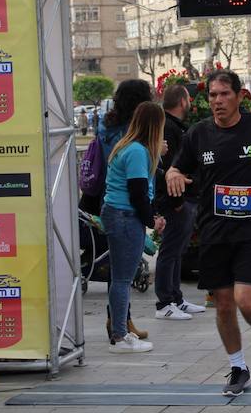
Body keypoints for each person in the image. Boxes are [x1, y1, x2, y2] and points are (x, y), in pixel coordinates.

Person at [166, 69, 251, 396]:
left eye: (224, 94)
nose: (218, 101)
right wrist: (173, 175)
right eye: (213, 95)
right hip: (213, 232)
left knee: (246, 300)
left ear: (238, 96)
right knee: (223, 305)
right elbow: (176, 166)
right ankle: (238, 367)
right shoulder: (198, 135)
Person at [85, 79, 154, 341]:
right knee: (123, 272)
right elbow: (135, 177)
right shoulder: (130, 134)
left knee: (119, 269)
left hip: (105, 197)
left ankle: (120, 320)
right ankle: (120, 326)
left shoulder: (107, 125)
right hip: (124, 203)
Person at [102, 102, 168, 353]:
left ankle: (119, 331)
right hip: (125, 216)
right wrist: (151, 221)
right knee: (122, 279)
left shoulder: (126, 146)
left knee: (119, 277)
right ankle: (120, 336)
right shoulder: (138, 152)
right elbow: (138, 192)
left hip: (116, 214)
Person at [154, 84, 205, 320]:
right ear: (183, 102)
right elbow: (168, 169)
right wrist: (176, 201)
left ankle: (176, 298)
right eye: (188, 99)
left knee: (177, 250)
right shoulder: (169, 129)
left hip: (184, 197)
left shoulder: (174, 127)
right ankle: (165, 302)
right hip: (177, 200)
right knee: (170, 249)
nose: (191, 103)